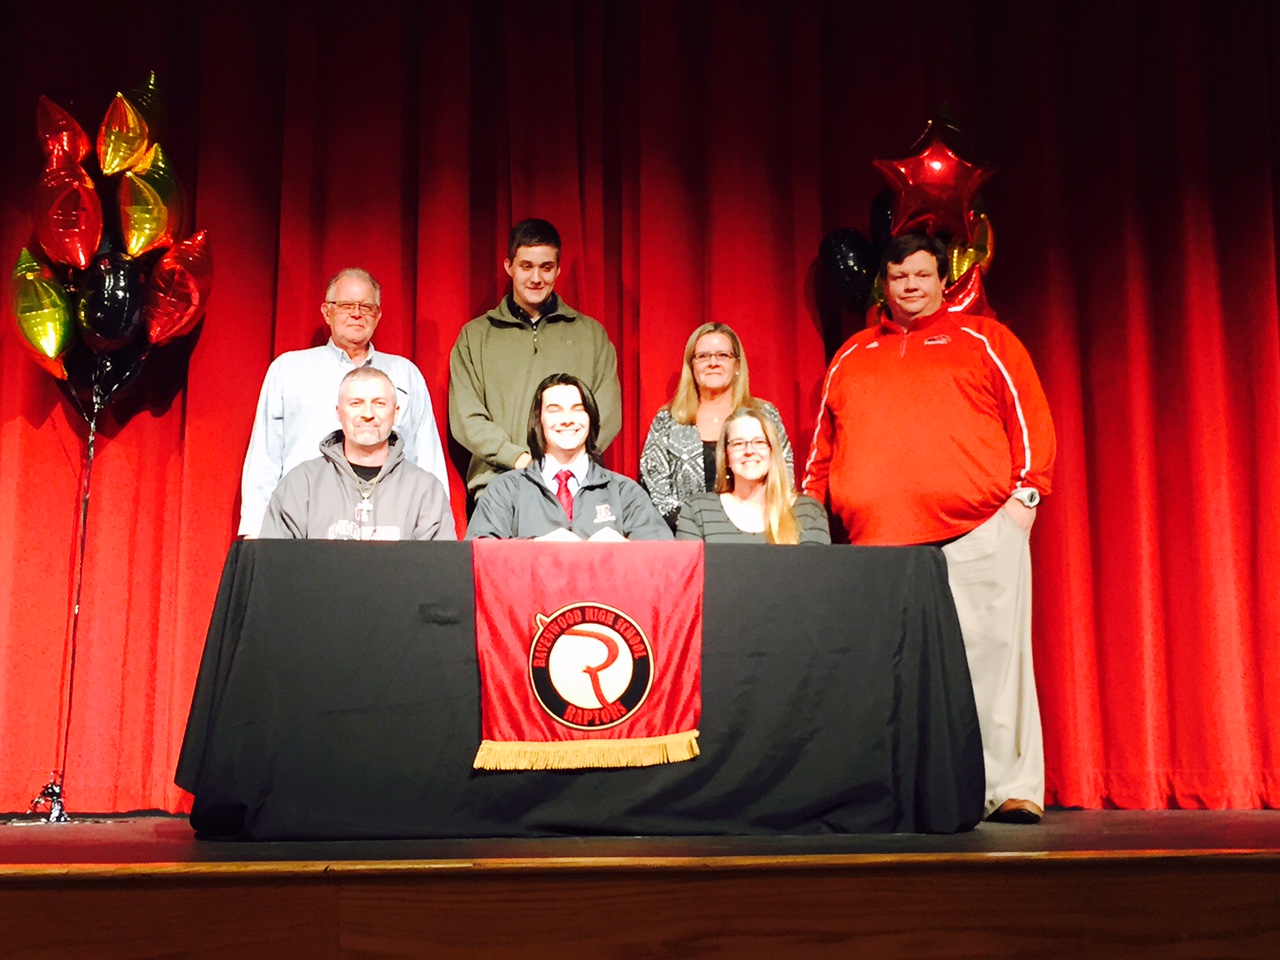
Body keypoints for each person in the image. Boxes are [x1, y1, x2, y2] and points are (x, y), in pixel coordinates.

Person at [803, 232, 1056, 824]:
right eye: (899, 277)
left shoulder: (986, 340)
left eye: (921, 275)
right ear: (883, 285)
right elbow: (820, 450)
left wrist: (1025, 496)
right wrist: (812, 516)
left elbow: (1030, 418)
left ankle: (1009, 789)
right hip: (880, 551)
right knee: (889, 678)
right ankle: (900, 792)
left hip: (977, 533)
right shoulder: (851, 355)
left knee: (994, 665)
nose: (910, 287)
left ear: (944, 280)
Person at [239, 267, 449, 536]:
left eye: (366, 307)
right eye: (346, 305)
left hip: (389, 528)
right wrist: (256, 532)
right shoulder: (289, 370)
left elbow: (427, 457)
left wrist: (437, 534)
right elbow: (265, 457)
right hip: (303, 525)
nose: (356, 313)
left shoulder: (405, 374)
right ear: (326, 312)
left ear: (378, 315)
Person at [450, 219, 622, 497]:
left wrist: (560, 464)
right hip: (498, 486)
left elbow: (607, 413)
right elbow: (466, 417)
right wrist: (519, 459)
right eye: (526, 266)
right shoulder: (475, 336)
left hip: (573, 487)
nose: (536, 278)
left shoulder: (591, 335)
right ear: (509, 267)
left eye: (546, 267)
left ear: (558, 270)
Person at [466, 374, 671, 541]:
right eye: (554, 411)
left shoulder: (625, 492)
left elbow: (666, 561)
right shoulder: (504, 491)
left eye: (578, 409)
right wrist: (535, 547)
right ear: (539, 421)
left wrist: (624, 548)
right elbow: (479, 558)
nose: (567, 420)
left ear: (591, 418)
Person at [260, 367, 454, 541]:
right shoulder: (301, 484)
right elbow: (273, 567)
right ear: (339, 412)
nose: (367, 414)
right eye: (356, 403)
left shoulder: (426, 491)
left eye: (379, 403)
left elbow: (440, 572)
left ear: (395, 414)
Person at [641, 322, 793, 528]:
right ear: (691, 365)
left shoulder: (765, 415)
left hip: (755, 534)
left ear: (737, 365)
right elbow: (655, 490)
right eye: (703, 356)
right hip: (684, 537)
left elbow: (784, 476)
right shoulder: (667, 420)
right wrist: (696, 525)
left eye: (723, 355)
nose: (713, 362)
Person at [676, 407, 828, 544]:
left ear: (772, 451)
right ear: (726, 456)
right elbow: (688, 573)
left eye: (759, 442)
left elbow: (813, 574)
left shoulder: (808, 512)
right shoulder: (698, 511)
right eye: (738, 443)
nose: (749, 450)